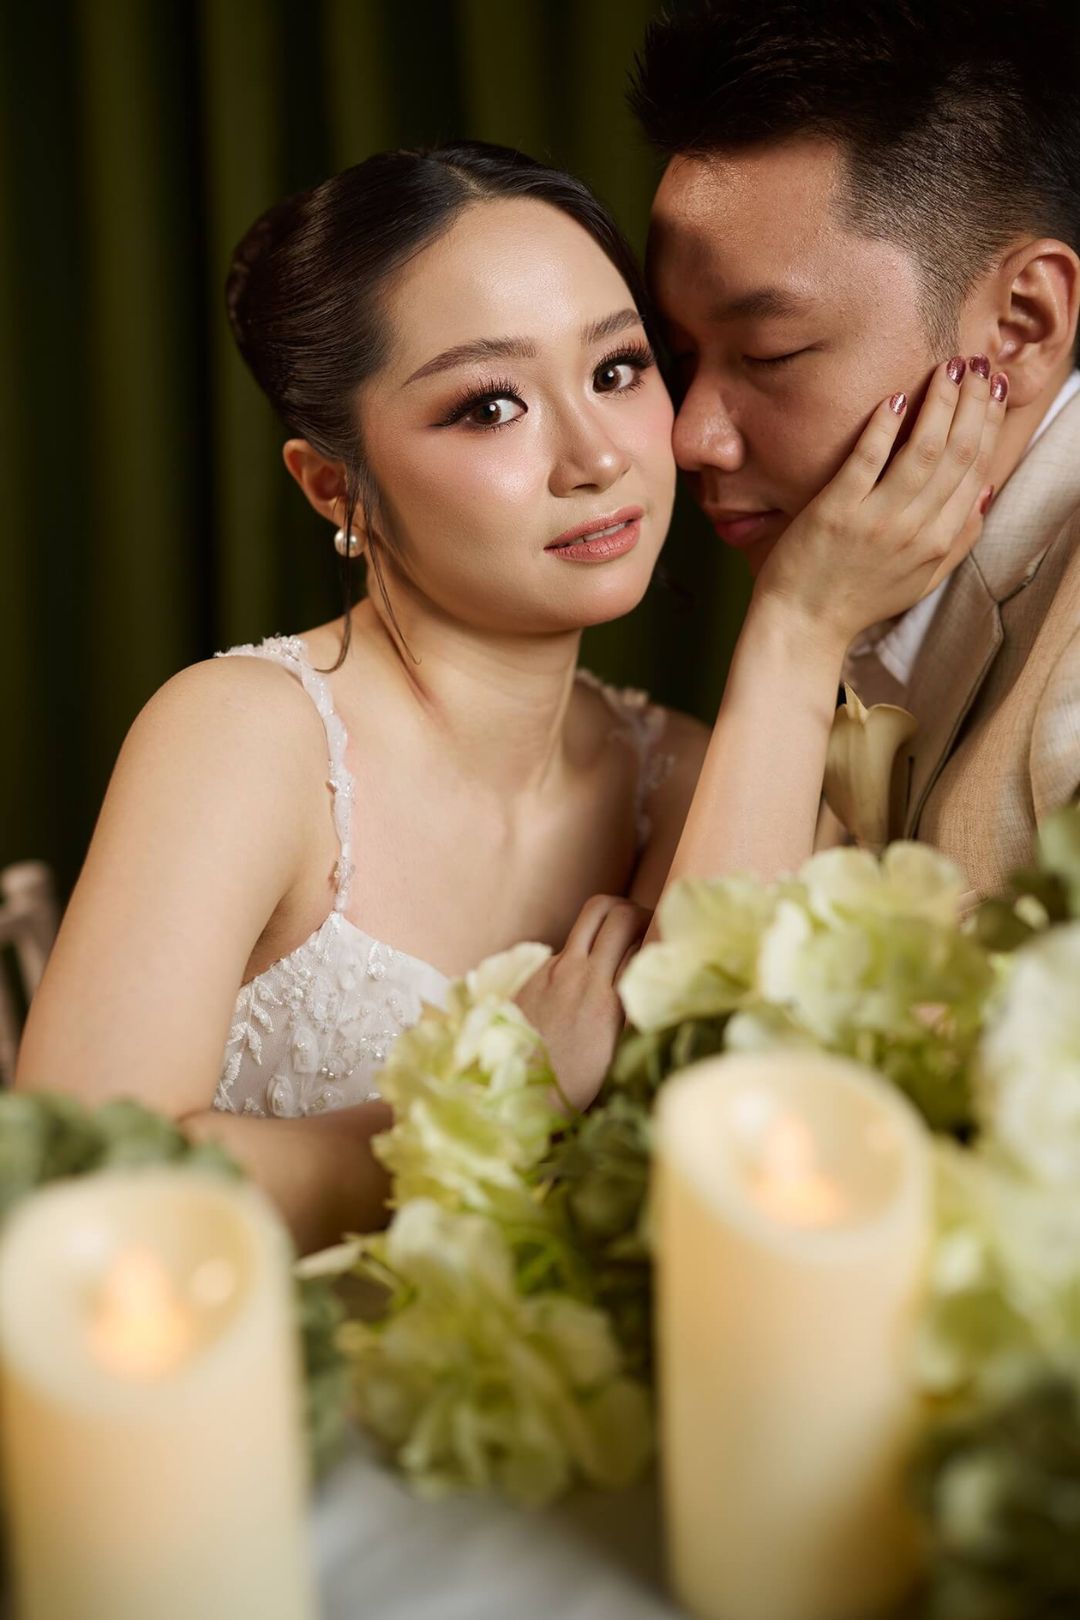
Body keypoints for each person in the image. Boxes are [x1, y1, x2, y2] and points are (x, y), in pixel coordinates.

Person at [16, 143, 999, 1252]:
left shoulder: (686, 779)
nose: (595, 458)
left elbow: (702, 1158)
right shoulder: (246, 738)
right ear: (333, 486)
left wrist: (796, 631)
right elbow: (76, 1178)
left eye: (618, 369)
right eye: (490, 405)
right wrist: (498, 1104)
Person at [634, 0, 1080, 898]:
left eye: (770, 353)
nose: (691, 437)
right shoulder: (864, 597)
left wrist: (795, 627)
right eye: (678, 358)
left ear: (1022, 322)